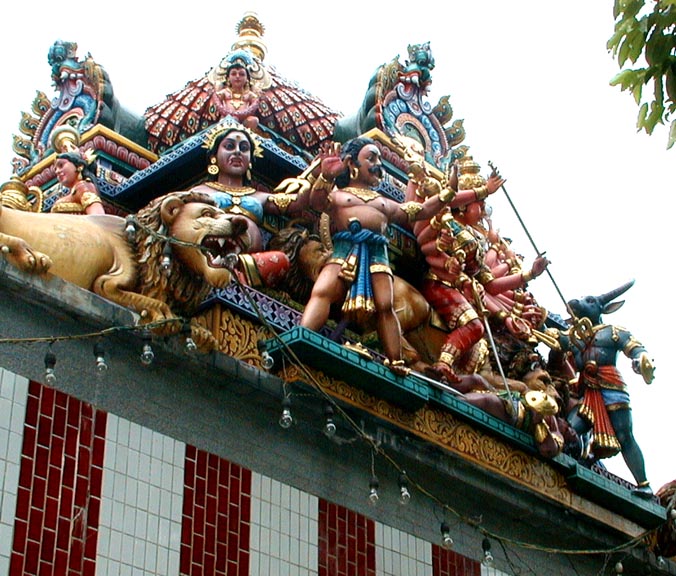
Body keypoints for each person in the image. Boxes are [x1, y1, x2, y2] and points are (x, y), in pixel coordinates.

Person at [298, 136, 454, 375]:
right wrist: (326, 176)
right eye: (371, 158)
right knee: (323, 291)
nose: (377, 164)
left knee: (385, 305)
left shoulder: (384, 203)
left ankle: (396, 361)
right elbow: (316, 202)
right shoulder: (339, 195)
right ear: (352, 164)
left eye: (379, 159)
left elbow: (420, 211)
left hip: (377, 255)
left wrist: (448, 193)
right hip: (344, 249)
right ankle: (303, 335)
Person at [190, 120, 309, 286]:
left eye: (244, 148)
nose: (237, 152)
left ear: (250, 161)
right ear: (214, 157)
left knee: (281, 261)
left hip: (248, 262)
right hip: (208, 254)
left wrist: (321, 177)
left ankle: (239, 274)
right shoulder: (199, 192)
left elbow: (297, 203)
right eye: (229, 146)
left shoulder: (259, 196)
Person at [50, 150, 105, 215]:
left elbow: (97, 215)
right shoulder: (72, 193)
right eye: (55, 169)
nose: (57, 171)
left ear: (80, 166)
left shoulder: (83, 187)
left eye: (61, 165)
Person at [213, 61, 260, 129]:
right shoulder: (225, 92)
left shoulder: (249, 94)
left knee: (254, 120)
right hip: (226, 119)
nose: (237, 76)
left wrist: (259, 97)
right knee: (227, 120)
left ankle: (246, 134)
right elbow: (217, 101)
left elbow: (255, 102)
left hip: (245, 121)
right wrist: (214, 93)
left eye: (241, 74)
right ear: (228, 78)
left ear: (247, 79)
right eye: (233, 74)